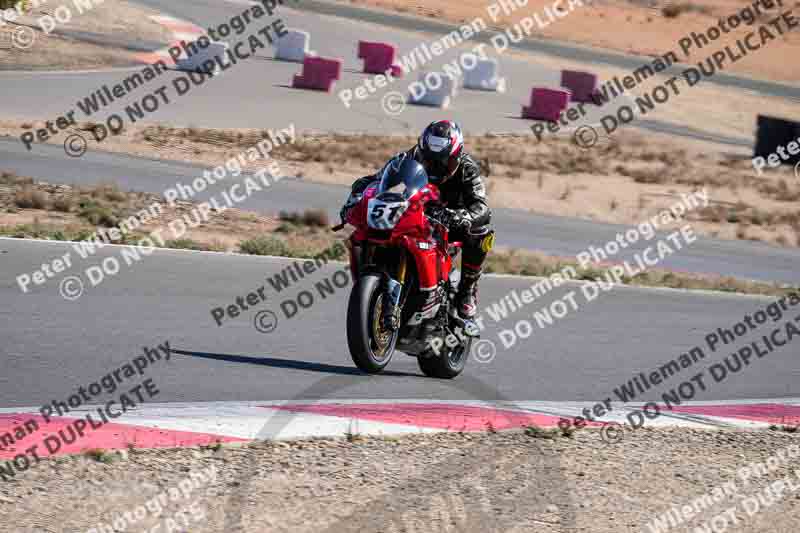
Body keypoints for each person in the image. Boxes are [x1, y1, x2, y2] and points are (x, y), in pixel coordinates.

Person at [341, 120, 494, 320]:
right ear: (421, 150)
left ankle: (467, 289)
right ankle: (372, 285)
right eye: (429, 160)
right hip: (415, 215)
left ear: (456, 156)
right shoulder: (407, 158)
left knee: (481, 233)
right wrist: (356, 197)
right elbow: (375, 181)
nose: (435, 168)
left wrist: (460, 216)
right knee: (364, 234)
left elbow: (482, 207)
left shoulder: (468, 169)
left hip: (450, 222)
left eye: (443, 162)